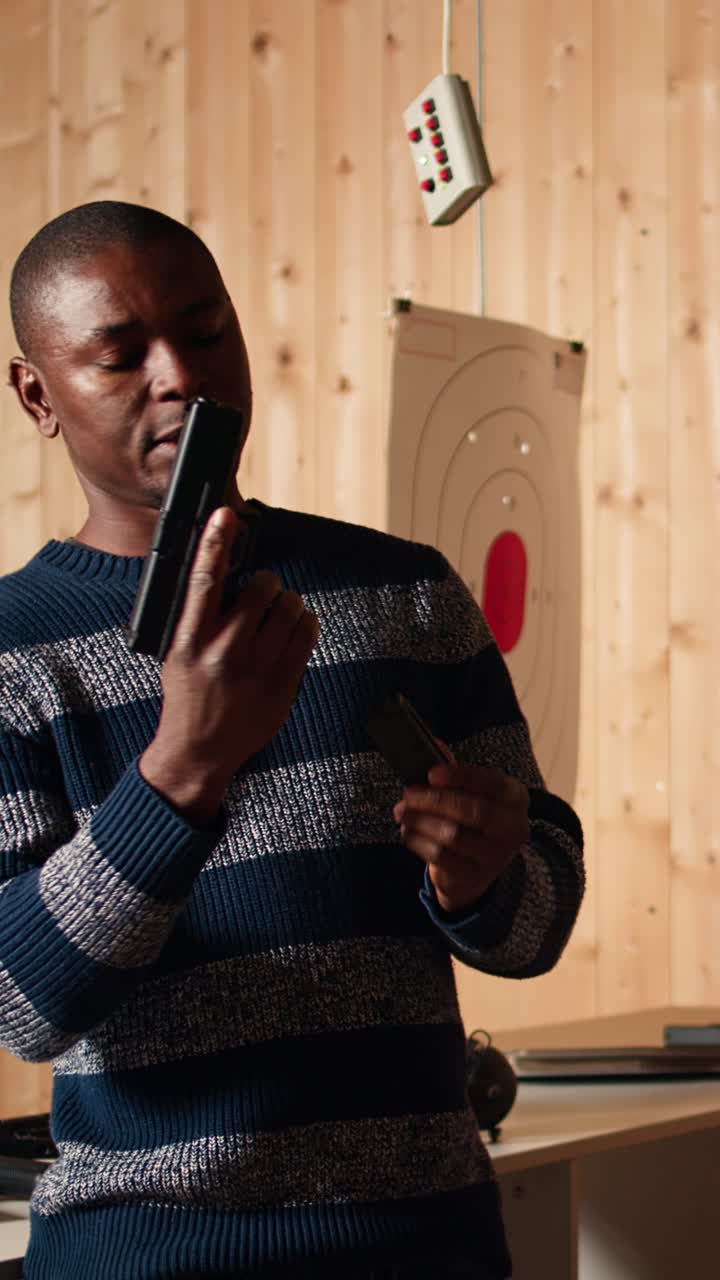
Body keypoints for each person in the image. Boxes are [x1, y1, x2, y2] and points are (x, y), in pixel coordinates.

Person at [1, 200, 584, 1280]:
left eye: (204, 327)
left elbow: (536, 915)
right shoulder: (10, 651)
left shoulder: (402, 590)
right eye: (121, 355)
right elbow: (21, 1001)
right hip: (142, 1254)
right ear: (38, 394)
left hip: (425, 1241)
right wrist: (183, 766)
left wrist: (488, 883)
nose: (180, 373)